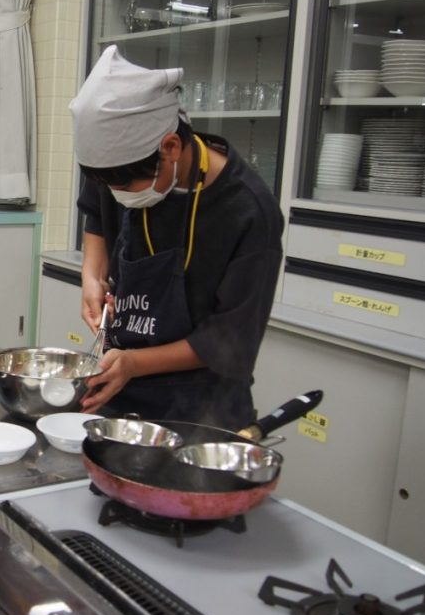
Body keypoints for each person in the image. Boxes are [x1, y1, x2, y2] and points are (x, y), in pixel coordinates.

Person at [69, 46, 283, 430]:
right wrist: (92, 276)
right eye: (105, 184)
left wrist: (135, 363)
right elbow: (97, 213)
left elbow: (230, 340)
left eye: (123, 186)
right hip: (120, 387)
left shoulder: (249, 212)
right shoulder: (119, 168)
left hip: (201, 408)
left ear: (170, 147)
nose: (116, 195)